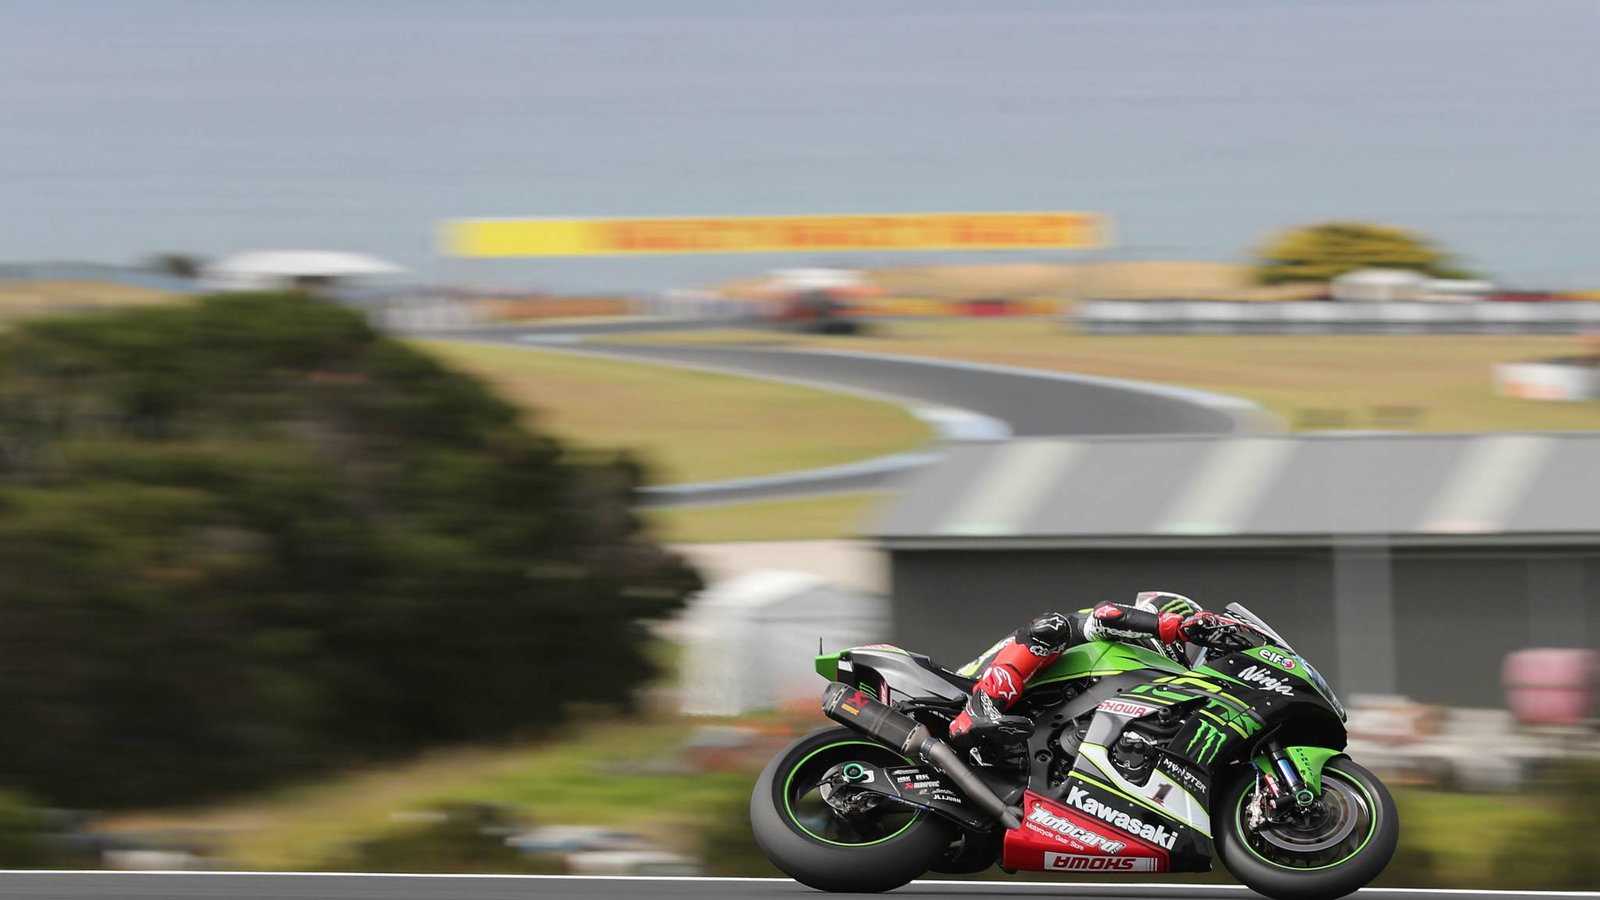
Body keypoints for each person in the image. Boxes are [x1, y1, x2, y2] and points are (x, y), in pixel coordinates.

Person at [948, 592, 1247, 752]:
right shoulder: (1118, 634)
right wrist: (1179, 627)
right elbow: (1107, 614)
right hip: (967, 686)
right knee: (1052, 627)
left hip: (1026, 722)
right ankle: (981, 708)